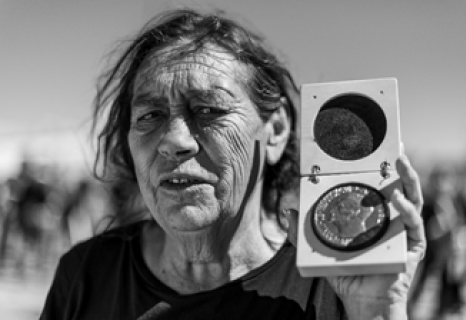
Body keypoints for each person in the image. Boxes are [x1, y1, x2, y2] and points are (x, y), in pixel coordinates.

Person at [40, 8, 425, 320]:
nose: (173, 142)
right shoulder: (87, 274)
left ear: (274, 131)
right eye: (149, 116)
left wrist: (376, 310)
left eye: (208, 110)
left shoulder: (331, 289)